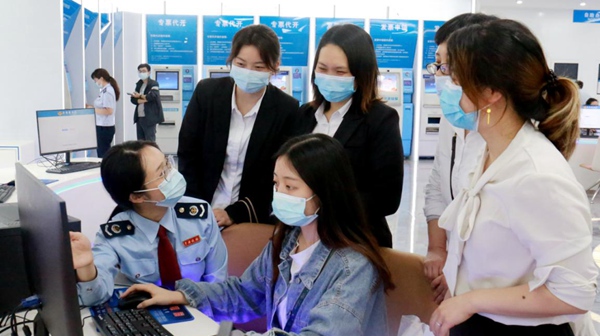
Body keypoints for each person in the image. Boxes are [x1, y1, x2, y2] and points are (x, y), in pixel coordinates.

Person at [123, 134, 395, 336]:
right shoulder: (288, 239)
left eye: (290, 186)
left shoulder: (353, 267)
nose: (279, 194)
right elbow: (245, 293)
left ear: (326, 192)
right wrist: (180, 294)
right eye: (277, 184)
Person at [428, 19, 598, 336]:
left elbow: (574, 292)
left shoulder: (537, 174)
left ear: (490, 92)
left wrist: (470, 301)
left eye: (452, 74)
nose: (442, 82)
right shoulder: (483, 150)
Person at [71, 141, 228, 307]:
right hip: (148, 314)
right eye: (162, 173)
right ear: (137, 197)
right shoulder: (115, 236)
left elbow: (219, 284)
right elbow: (94, 298)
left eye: (168, 163)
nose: (173, 174)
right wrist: (86, 267)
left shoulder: (200, 216)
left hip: (199, 308)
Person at [293, 24, 404, 247]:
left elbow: (387, 198)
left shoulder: (380, 119)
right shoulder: (304, 115)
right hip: (304, 237)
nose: (329, 77)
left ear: (360, 74)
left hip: (356, 241)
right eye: (322, 69)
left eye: (340, 72)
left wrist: (322, 207)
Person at [178, 25, 299, 228]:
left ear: (275, 66)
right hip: (201, 209)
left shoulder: (286, 109)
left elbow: (277, 174)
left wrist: (235, 213)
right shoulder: (207, 93)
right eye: (241, 64)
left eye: (258, 67)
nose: (248, 72)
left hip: (250, 216)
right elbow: (188, 153)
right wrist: (198, 207)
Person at [423, 13, 498, 304]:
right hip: (457, 275)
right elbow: (437, 185)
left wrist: (458, 271)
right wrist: (438, 250)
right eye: (438, 65)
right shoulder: (453, 118)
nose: (440, 76)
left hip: (491, 290)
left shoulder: (506, 140)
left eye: (449, 66)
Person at [88, 68, 119, 158]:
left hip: (104, 127)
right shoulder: (105, 90)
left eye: (95, 80)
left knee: (103, 154)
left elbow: (109, 111)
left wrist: (92, 110)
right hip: (103, 126)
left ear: (101, 78)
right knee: (103, 152)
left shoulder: (107, 92)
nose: (95, 83)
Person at [131, 64, 164, 142]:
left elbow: (153, 96)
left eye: (144, 71)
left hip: (149, 117)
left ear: (149, 72)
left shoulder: (153, 83)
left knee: (150, 141)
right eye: (140, 71)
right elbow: (133, 100)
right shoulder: (139, 84)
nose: (141, 73)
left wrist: (140, 96)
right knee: (140, 142)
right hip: (139, 117)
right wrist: (144, 99)